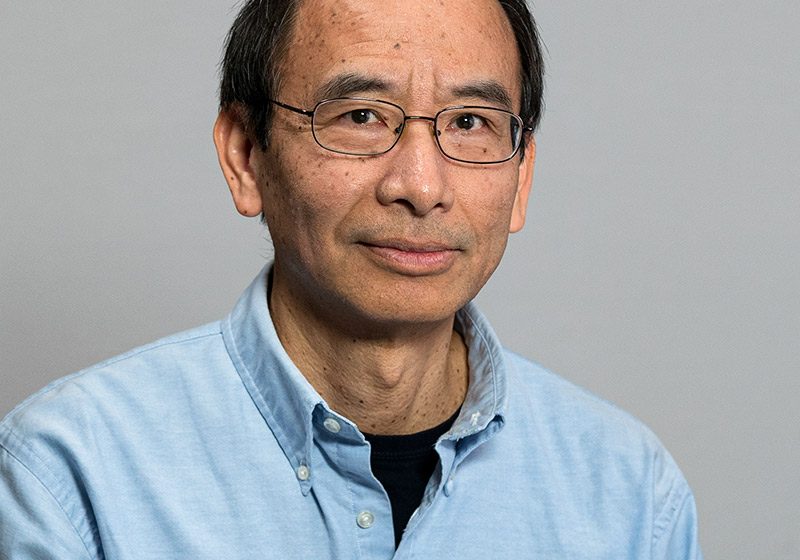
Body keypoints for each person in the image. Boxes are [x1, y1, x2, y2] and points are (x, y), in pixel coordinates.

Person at [0, 0, 703, 558]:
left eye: (470, 123)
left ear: (521, 179)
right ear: (246, 157)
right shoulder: (71, 475)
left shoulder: (631, 497)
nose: (422, 187)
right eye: (362, 116)